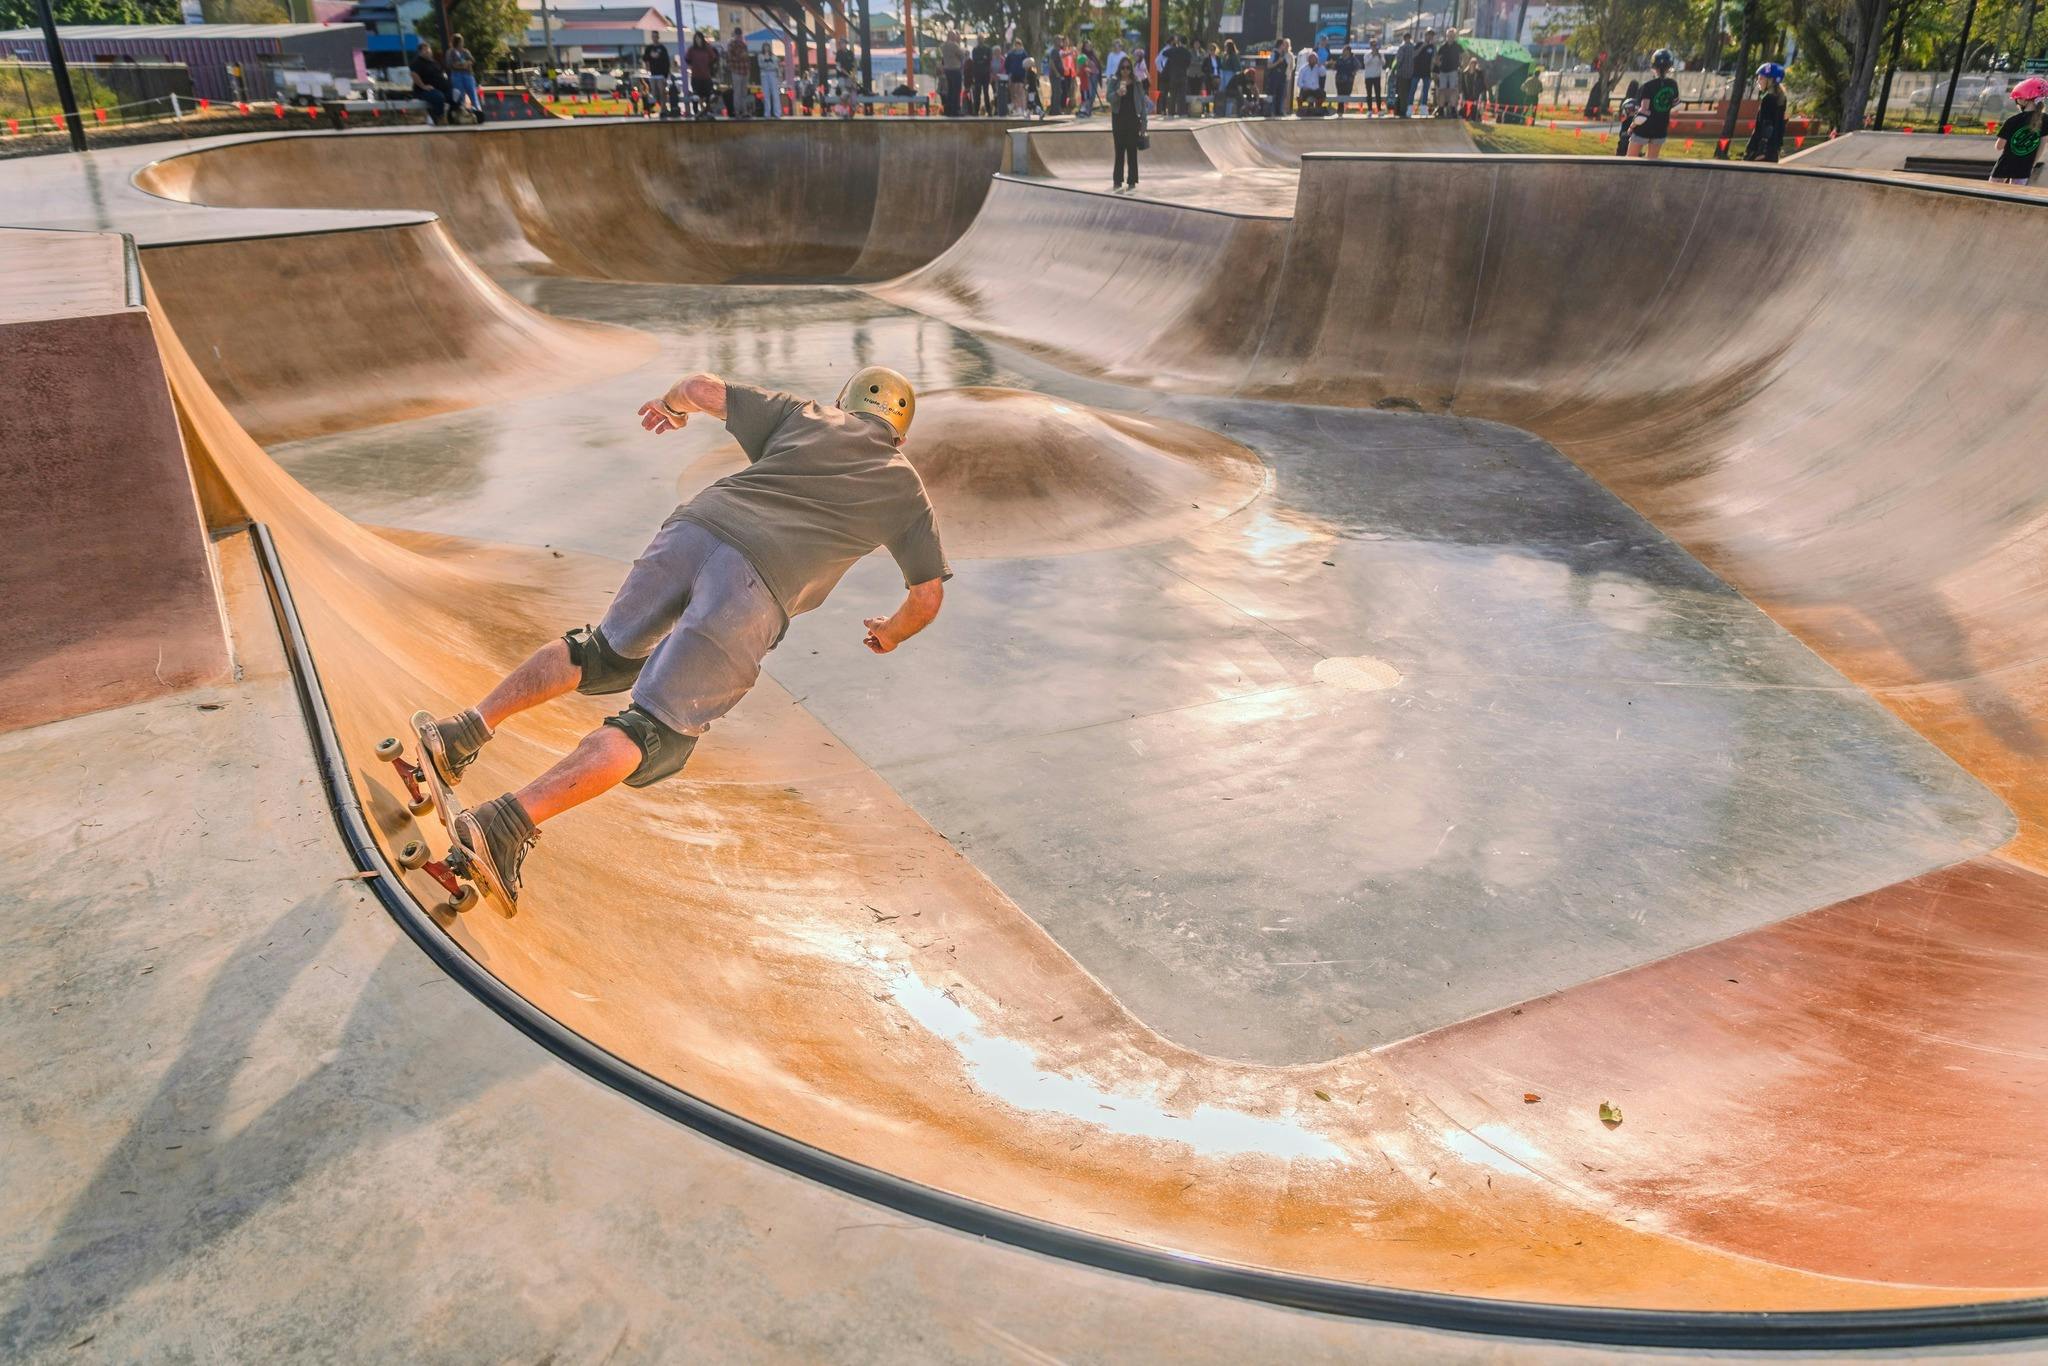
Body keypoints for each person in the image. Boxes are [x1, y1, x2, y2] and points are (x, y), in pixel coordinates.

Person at [416, 369, 949, 909]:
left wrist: (670, 407)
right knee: (657, 732)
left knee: (602, 653)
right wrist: (890, 633)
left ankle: (462, 731)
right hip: (755, 587)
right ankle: (503, 826)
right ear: (900, 436)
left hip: (695, 526)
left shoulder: (805, 414)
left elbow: (698, 388)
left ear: (846, 403)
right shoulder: (905, 488)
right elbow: (926, 598)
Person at [1988, 74, 2048, 182]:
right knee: (2015, 197)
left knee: (1991, 195)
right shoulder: (2045, 119)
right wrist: (2032, 164)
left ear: (2024, 99)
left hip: (2004, 166)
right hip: (2024, 169)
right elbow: (2043, 144)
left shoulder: (2013, 120)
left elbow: (1999, 146)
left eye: (2017, 98)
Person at [1629, 48, 1679, 158]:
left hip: (1643, 129)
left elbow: (1644, 111)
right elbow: (1675, 109)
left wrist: (1632, 126)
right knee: (1651, 162)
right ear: (1670, 66)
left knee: (1630, 160)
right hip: (1660, 128)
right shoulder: (1673, 84)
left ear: (1653, 66)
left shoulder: (1648, 86)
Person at [1109, 50, 1146, 190]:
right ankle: (1117, 180)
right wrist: (1118, 93)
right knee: (1119, 151)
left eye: (1128, 68)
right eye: (1123, 68)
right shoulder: (1114, 80)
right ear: (1120, 69)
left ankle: (1132, 180)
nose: (1125, 71)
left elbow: (1142, 103)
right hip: (1118, 119)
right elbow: (1109, 98)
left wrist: (1144, 124)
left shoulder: (1136, 82)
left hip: (1132, 120)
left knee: (1132, 151)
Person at [408, 41, 454, 123]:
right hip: (424, 91)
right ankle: (439, 118)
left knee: (454, 95)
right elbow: (413, 74)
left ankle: (454, 117)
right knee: (438, 97)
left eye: (429, 49)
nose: (428, 51)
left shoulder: (433, 62)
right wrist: (423, 86)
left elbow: (441, 73)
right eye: (425, 50)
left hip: (441, 88)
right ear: (420, 52)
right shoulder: (417, 62)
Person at [445, 33, 481, 119]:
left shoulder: (465, 51)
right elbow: (450, 64)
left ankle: (478, 112)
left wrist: (467, 63)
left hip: (467, 74)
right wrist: (461, 65)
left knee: (472, 93)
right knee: (459, 95)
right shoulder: (450, 52)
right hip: (457, 75)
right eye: (460, 41)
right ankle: (461, 113)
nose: (462, 43)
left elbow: (471, 60)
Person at [684, 32, 716, 117]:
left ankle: (708, 111)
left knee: (708, 94)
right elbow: (687, 59)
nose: (698, 41)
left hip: (706, 75)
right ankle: (696, 111)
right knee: (696, 95)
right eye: (696, 39)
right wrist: (692, 66)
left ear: (702, 39)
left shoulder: (707, 48)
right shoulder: (692, 49)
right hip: (696, 76)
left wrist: (708, 65)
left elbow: (713, 58)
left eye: (699, 38)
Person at [1432, 27, 1461, 116]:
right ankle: (1440, 108)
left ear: (1454, 36)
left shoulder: (1457, 46)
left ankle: (1452, 109)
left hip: (1453, 71)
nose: (1450, 37)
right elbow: (1436, 58)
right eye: (1449, 35)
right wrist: (1438, 64)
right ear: (1446, 36)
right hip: (1443, 71)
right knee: (1442, 90)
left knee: (1453, 90)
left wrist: (1462, 66)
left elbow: (1465, 55)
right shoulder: (1443, 46)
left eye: (1452, 36)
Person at [1161, 34, 1192, 116]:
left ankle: (1171, 112)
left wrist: (1172, 46)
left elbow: (1164, 53)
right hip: (1183, 75)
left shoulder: (1174, 50)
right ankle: (1181, 112)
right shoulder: (1187, 53)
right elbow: (1188, 63)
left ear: (1179, 42)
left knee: (1173, 95)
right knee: (1182, 95)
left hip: (1173, 75)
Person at [726, 26, 754, 118]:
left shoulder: (744, 44)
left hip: (745, 71)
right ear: (734, 35)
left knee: (744, 93)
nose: (739, 36)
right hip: (736, 71)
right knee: (737, 92)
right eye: (737, 34)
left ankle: (744, 111)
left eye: (740, 34)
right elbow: (730, 58)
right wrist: (741, 56)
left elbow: (747, 58)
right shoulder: (731, 44)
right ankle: (737, 112)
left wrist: (748, 67)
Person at [940, 30, 965, 115]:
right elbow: (962, 55)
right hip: (955, 69)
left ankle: (949, 109)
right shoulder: (954, 45)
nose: (956, 37)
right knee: (957, 90)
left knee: (950, 90)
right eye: (954, 36)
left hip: (947, 69)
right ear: (952, 36)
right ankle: (956, 110)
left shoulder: (943, 46)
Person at [1295, 47, 1325, 114]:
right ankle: (1300, 110)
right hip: (1306, 89)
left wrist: (1320, 66)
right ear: (1308, 59)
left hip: (1315, 90)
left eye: (1314, 59)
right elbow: (1299, 82)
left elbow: (1323, 74)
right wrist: (1303, 87)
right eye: (1311, 59)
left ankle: (1318, 109)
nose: (1313, 60)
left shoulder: (1318, 68)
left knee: (1322, 94)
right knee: (1300, 97)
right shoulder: (1303, 69)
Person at [759, 39, 784, 117]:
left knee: (775, 94)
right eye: (765, 47)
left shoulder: (773, 56)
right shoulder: (760, 56)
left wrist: (768, 64)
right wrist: (769, 64)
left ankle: (777, 113)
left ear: (769, 48)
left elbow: (775, 66)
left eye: (767, 47)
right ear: (763, 48)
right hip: (764, 75)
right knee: (766, 95)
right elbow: (761, 65)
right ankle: (767, 114)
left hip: (772, 75)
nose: (766, 48)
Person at [1614, 80, 1640, 156]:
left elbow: (1620, 111)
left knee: (1623, 138)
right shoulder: (1637, 99)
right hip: (1634, 121)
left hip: (1625, 122)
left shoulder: (1625, 99)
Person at [970, 34, 993, 114]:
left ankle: (989, 110)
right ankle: (976, 111)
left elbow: (989, 59)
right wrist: (982, 59)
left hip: (986, 73)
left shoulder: (988, 49)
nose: (980, 41)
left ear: (984, 40)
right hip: (977, 74)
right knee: (977, 93)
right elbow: (975, 60)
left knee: (986, 93)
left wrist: (982, 60)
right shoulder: (975, 50)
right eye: (979, 39)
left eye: (981, 39)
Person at [1005, 37, 1029, 115]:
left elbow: (1027, 65)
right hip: (1013, 75)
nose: (1017, 46)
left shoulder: (1024, 54)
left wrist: (1026, 75)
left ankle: (1023, 108)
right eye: (1016, 44)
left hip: (1021, 75)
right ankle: (1016, 108)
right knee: (1013, 92)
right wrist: (1009, 74)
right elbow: (1007, 65)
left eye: (1018, 44)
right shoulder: (1011, 54)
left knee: (1020, 91)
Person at [1359, 39, 1384, 113]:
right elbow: (1366, 63)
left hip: (1377, 76)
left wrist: (1379, 56)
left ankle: (1379, 110)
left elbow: (1383, 63)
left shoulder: (1380, 54)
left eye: (1375, 45)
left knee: (1378, 94)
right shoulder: (1367, 54)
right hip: (1368, 77)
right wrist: (1372, 55)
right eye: (1373, 45)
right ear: (1370, 46)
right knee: (1369, 94)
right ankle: (1369, 110)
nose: (1374, 47)